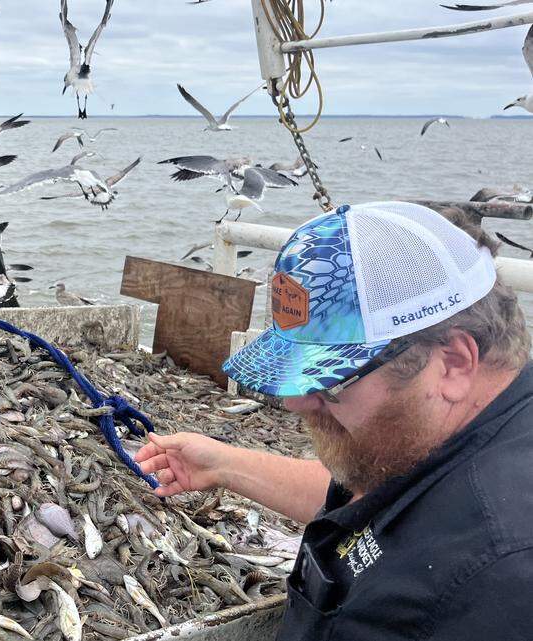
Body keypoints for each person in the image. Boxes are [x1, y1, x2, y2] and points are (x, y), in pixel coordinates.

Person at [136, 202, 533, 639]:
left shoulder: (497, 584)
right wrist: (222, 464)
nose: (295, 405)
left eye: (331, 383)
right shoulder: (465, 432)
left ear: (454, 363)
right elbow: (384, 508)